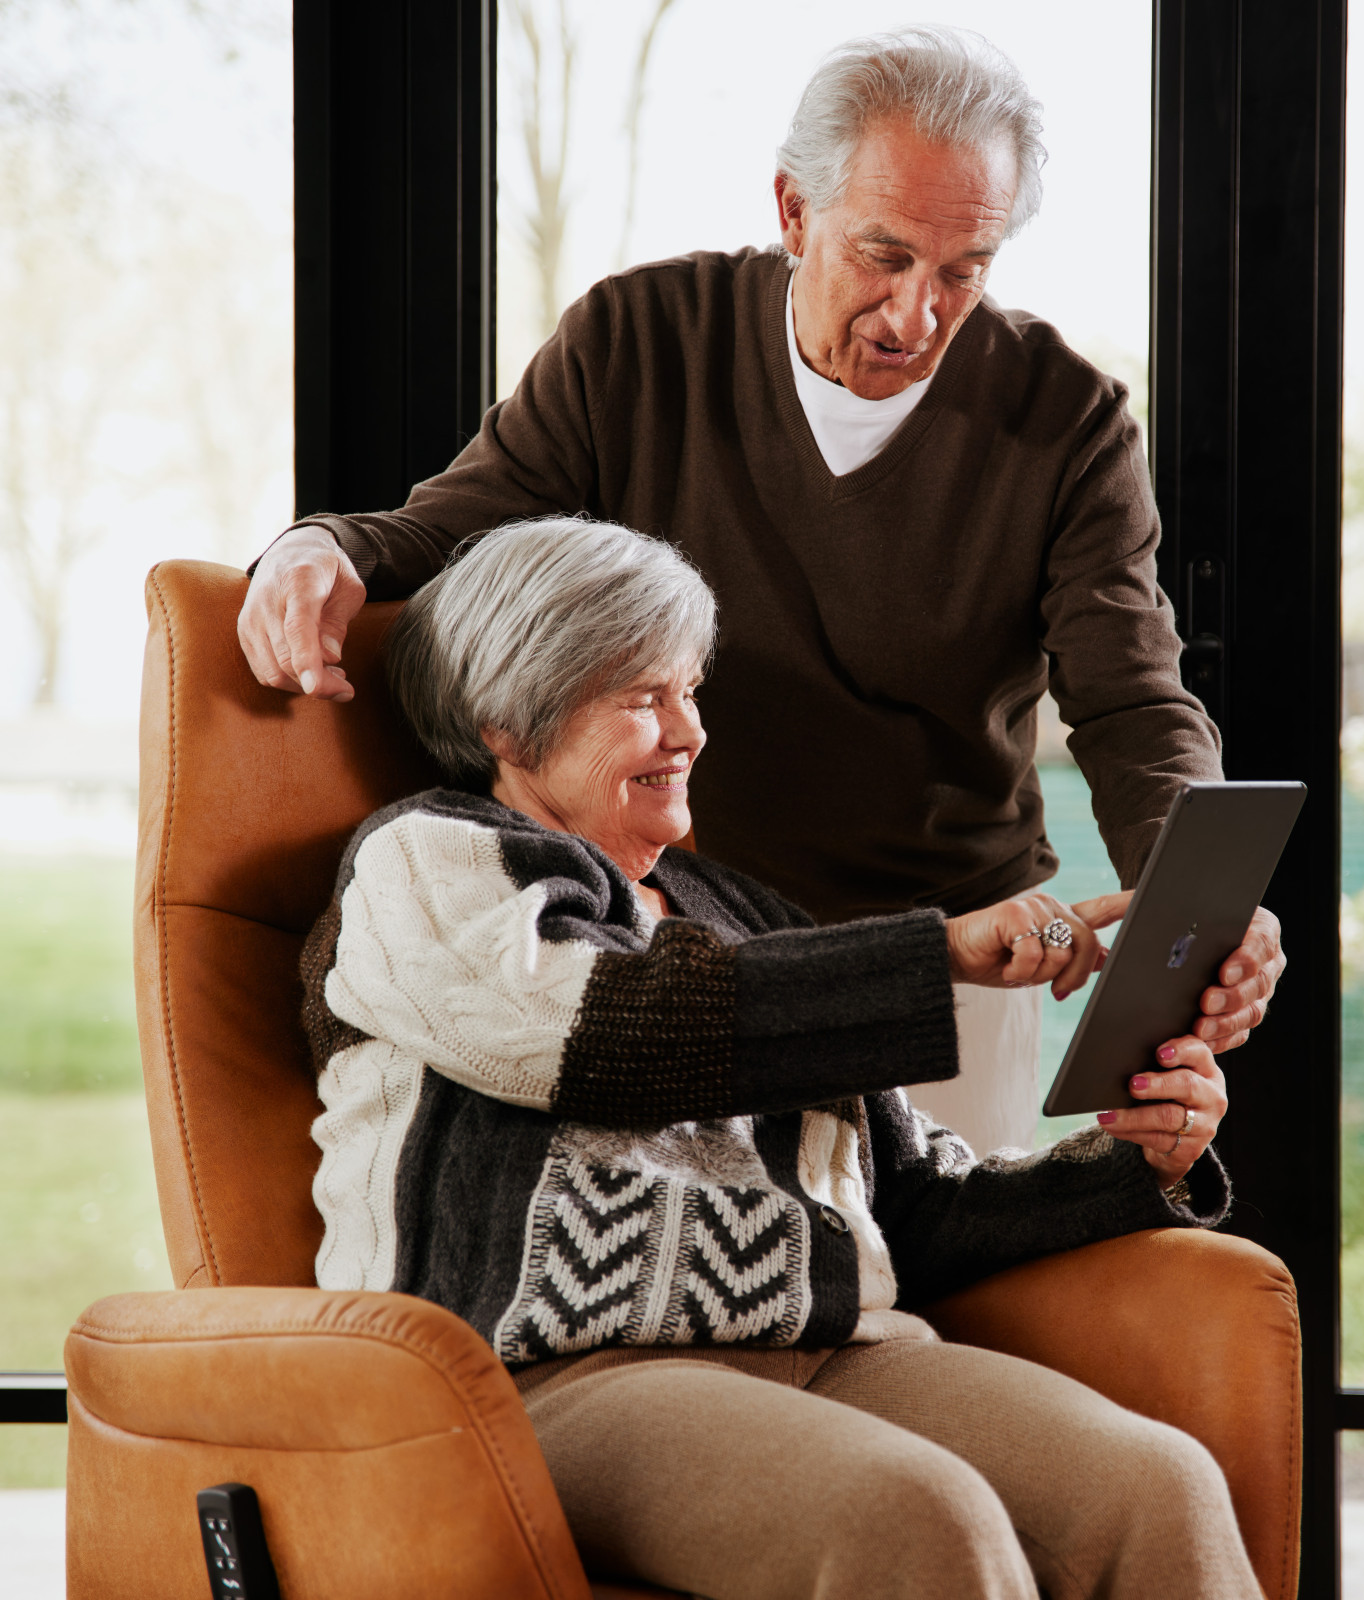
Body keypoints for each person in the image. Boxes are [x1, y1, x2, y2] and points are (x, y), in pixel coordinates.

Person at [250, 26, 1285, 1154]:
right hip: (686, 949)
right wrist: (318, 546)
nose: (914, 316)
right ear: (795, 211)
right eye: (882, 257)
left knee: (946, 1280)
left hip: (954, 955)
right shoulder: (637, 342)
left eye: (961, 273)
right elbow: (449, 528)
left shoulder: (1067, 420)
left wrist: (1201, 907)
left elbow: (1134, 707)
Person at [300, 516, 1262, 1600]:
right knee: (910, 1516)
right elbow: (599, 1029)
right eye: (640, 697)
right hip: (557, 1370)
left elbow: (913, 1198)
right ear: (506, 723)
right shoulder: (427, 859)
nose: (688, 731)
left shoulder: (746, 914)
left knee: (1156, 1485)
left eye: (691, 690)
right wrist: (931, 954)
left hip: (839, 1347)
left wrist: (1141, 1159)